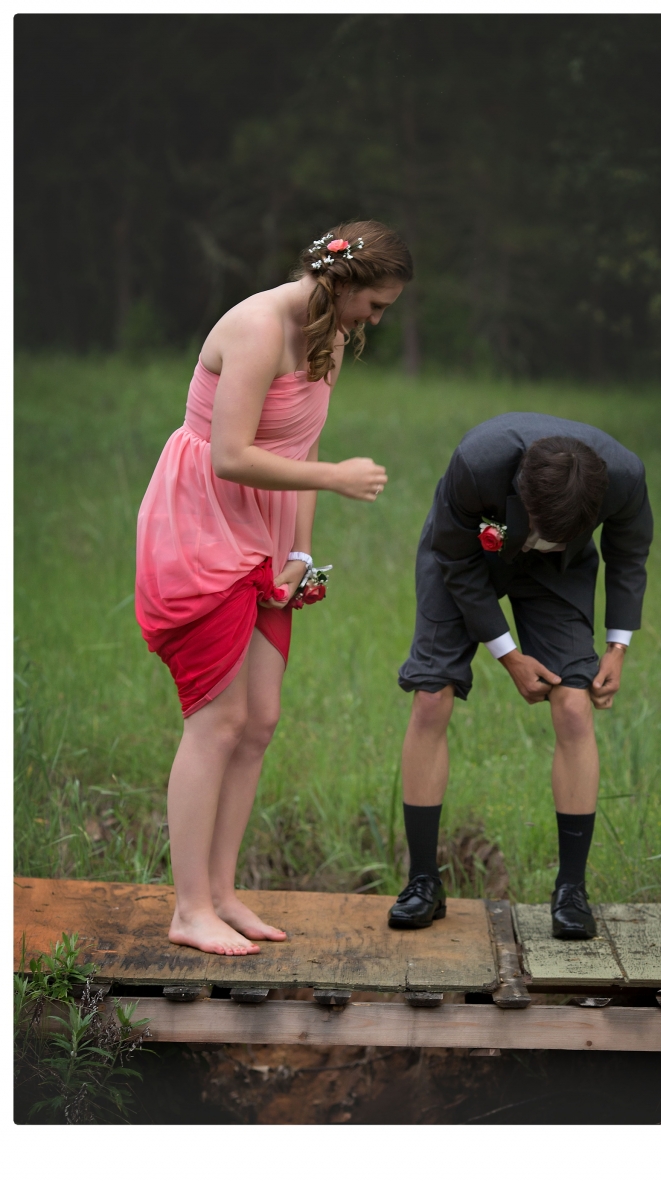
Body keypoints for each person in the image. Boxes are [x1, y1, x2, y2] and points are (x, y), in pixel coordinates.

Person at [136, 221, 412, 955]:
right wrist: (336, 480)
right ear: (343, 283)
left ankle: (223, 893)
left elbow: (303, 441)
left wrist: (299, 548)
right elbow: (230, 455)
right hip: (201, 523)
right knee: (216, 719)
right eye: (375, 305)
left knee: (259, 719)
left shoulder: (330, 338)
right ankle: (188, 906)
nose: (376, 321)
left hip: (265, 534)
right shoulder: (257, 327)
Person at [389, 413, 653, 938]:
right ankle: (422, 882)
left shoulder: (625, 478)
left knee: (575, 705)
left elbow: (629, 555)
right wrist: (508, 654)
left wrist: (617, 647)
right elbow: (457, 564)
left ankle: (571, 891)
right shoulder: (478, 463)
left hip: (558, 576)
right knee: (431, 696)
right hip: (465, 555)